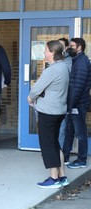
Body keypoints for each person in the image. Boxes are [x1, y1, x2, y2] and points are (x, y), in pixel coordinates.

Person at [27, 40, 70, 188]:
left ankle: (53, 179)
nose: (44, 53)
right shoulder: (64, 67)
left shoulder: (51, 70)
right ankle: (62, 176)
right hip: (59, 110)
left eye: (46, 50)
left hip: (49, 112)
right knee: (55, 143)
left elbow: (36, 89)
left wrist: (30, 98)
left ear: (52, 53)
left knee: (48, 144)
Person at [63, 38, 91, 169]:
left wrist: (71, 104)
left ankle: (82, 159)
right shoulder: (77, 60)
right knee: (70, 130)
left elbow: (78, 86)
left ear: (79, 47)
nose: (69, 48)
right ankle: (66, 156)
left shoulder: (81, 62)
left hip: (78, 103)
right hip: (74, 103)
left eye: (72, 46)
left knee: (80, 132)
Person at [58, 37, 72, 149]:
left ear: (67, 48)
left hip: (65, 97)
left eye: (62, 45)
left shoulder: (69, 61)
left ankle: (60, 152)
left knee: (63, 127)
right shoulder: (54, 61)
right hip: (55, 99)